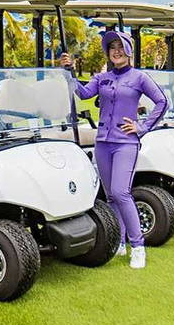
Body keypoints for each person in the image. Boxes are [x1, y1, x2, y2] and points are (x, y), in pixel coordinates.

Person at [58, 30, 166, 268]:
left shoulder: (139, 77)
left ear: (128, 51)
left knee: (121, 192)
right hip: (103, 143)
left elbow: (162, 101)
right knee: (111, 196)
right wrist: (69, 71)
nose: (116, 51)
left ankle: (138, 246)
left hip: (126, 143)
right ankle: (119, 242)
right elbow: (83, 93)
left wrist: (142, 126)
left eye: (120, 46)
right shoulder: (102, 77)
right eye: (112, 47)